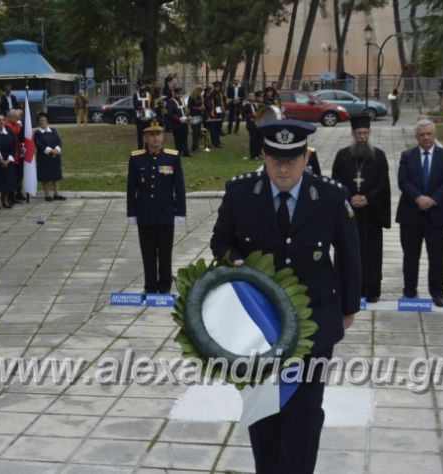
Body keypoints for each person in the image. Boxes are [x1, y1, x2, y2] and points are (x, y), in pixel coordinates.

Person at [210, 119, 361, 474]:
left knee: (305, 414)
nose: (282, 167)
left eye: (291, 159)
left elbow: (350, 254)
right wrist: (237, 261)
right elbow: (220, 241)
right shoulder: (240, 194)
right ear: (262, 155)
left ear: (305, 158)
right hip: (259, 329)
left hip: (315, 324)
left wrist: (349, 307)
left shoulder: (329, 195)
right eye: (275, 158)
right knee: (263, 415)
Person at [396, 119, 443, 307]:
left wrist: (432, 200)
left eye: (429, 134)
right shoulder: (407, 155)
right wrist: (418, 198)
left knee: (437, 256)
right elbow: (403, 181)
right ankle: (409, 291)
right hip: (411, 214)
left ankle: (437, 292)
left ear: (434, 134)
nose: (426, 138)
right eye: (422, 135)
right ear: (416, 137)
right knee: (410, 256)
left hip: (437, 214)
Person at [332, 115, 391, 302]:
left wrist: (367, 198)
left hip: (371, 216)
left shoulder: (379, 156)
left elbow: (384, 184)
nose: (362, 137)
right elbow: (335, 182)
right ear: (353, 134)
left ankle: (371, 290)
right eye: (359, 133)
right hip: (349, 215)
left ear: (370, 133)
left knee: (371, 253)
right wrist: (350, 198)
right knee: (348, 252)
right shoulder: (342, 156)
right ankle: (347, 290)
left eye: (365, 133)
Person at [127, 119, 186, 295]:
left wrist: (180, 211)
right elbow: (131, 188)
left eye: (158, 134)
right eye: (151, 135)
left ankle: (165, 287)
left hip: (165, 213)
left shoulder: (172, 157)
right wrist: (132, 212)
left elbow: (179, 187)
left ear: (163, 136)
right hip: (145, 214)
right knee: (148, 253)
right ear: (145, 137)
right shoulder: (136, 158)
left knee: (165, 253)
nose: (155, 138)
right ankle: (150, 287)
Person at [34, 112, 65, 201]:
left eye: (44, 120)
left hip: (55, 157)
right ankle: (47, 195)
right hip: (44, 158)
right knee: (46, 177)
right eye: (41, 121)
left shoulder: (53, 130)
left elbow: (58, 141)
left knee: (56, 176)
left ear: (47, 121)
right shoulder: (38, 133)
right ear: (38, 122)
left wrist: (57, 150)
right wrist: (51, 151)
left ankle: (57, 194)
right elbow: (39, 145)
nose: (43, 122)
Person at [0, 113, 16, 209]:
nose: (1, 122)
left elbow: (13, 147)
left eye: (3, 120)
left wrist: (8, 161)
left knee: (7, 181)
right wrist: (0, 160)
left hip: (8, 160)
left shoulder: (9, 132)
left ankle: (5, 201)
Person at [166, 87, 190, 157]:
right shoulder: (171, 102)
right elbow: (170, 114)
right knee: (178, 139)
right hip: (176, 124)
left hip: (184, 123)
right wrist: (179, 119)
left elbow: (185, 110)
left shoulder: (182, 101)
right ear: (175, 94)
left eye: (180, 94)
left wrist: (187, 116)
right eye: (178, 94)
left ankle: (186, 152)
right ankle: (179, 152)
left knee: (184, 138)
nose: (179, 95)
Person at [133, 80, 154, 149]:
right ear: (138, 87)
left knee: (148, 132)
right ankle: (140, 148)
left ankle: (148, 147)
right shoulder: (136, 95)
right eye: (141, 86)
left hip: (148, 115)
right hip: (140, 115)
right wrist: (141, 108)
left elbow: (152, 105)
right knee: (140, 133)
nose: (142, 87)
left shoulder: (149, 95)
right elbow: (135, 106)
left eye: (143, 86)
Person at [187, 86, 204, 153]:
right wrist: (197, 108)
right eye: (199, 91)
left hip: (199, 115)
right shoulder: (191, 97)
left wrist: (202, 107)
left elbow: (201, 104)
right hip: (193, 116)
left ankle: (196, 146)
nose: (200, 93)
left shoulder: (200, 97)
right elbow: (189, 106)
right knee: (195, 131)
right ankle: (194, 147)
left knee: (198, 131)